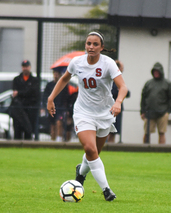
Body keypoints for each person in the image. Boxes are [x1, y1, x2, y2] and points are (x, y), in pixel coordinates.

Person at [47, 31, 128, 201]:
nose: (91, 47)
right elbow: (64, 79)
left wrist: (118, 102)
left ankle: (80, 174)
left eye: (95, 44)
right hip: (83, 113)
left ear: (102, 47)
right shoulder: (77, 62)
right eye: (88, 43)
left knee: (94, 153)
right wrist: (51, 97)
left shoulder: (108, 63)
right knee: (90, 149)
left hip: (105, 114)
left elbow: (123, 87)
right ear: (85, 45)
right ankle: (106, 190)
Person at [140, 62, 171, 144]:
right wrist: (142, 111)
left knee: (162, 132)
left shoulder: (167, 84)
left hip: (162, 113)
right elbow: (143, 98)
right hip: (149, 113)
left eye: (157, 71)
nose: (156, 73)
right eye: (154, 71)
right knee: (147, 132)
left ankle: (161, 149)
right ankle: (145, 149)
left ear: (161, 72)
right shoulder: (148, 83)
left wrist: (168, 111)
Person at [10, 60, 40, 140]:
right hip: (19, 110)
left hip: (30, 109)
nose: (25, 68)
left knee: (28, 131)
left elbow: (34, 93)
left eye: (26, 66)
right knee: (17, 132)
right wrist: (26, 93)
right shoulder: (17, 79)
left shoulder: (34, 80)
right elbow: (15, 93)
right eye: (24, 67)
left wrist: (20, 93)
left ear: (30, 67)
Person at [107, 60, 130, 143]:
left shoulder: (120, 80)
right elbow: (110, 92)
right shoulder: (110, 79)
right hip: (109, 108)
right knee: (108, 130)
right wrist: (118, 91)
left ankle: (110, 145)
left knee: (114, 131)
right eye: (122, 68)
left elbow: (127, 92)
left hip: (118, 109)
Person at [43, 69, 69, 142]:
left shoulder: (64, 86)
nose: (56, 75)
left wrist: (65, 107)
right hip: (51, 107)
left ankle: (59, 138)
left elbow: (66, 97)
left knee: (59, 122)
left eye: (57, 74)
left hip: (60, 108)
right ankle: (53, 139)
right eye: (55, 73)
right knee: (52, 124)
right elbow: (45, 96)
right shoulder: (49, 85)